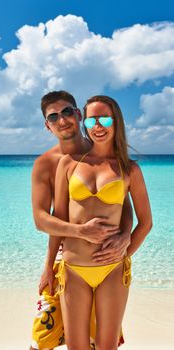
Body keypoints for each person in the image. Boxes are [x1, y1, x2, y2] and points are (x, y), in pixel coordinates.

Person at [30, 91, 133, 350]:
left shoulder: (102, 150)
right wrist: (77, 234)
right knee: (43, 335)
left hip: (105, 257)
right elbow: (43, 220)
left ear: (78, 115)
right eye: (53, 117)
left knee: (100, 338)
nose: (61, 120)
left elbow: (125, 205)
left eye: (66, 112)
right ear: (47, 125)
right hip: (63, 258)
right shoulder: (46, 164)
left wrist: (125, 236)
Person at [52, 95, 153, 350]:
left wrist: (125, 250)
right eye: (92, 119)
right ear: (84, 123)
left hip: (112, 272)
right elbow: (58, 219)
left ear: (116, 122)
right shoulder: (68, 164)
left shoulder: (130, 170)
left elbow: (146, 222)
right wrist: (47, 268)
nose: (98, 126)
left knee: (107, 347)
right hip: (73, 270)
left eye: (105, 118)